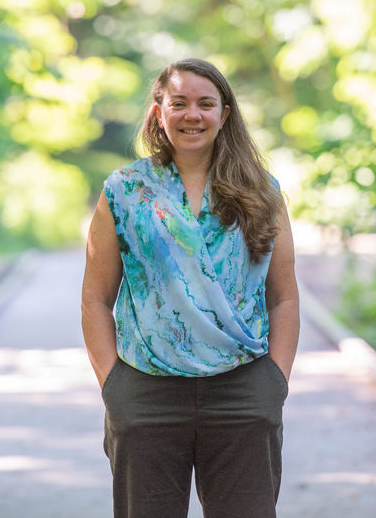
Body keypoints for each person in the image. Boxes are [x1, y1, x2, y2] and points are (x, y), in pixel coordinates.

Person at [81, 58, 300, 518]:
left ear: (225, 113)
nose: (192, 115)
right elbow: (96, 298)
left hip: (243, 391)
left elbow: (284, 297)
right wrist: (113, 385)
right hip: (146, 392)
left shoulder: (263, 191)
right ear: (159, 112)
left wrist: (272, 384)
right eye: (179, 103)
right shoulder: (125, 190)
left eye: (205, 103)